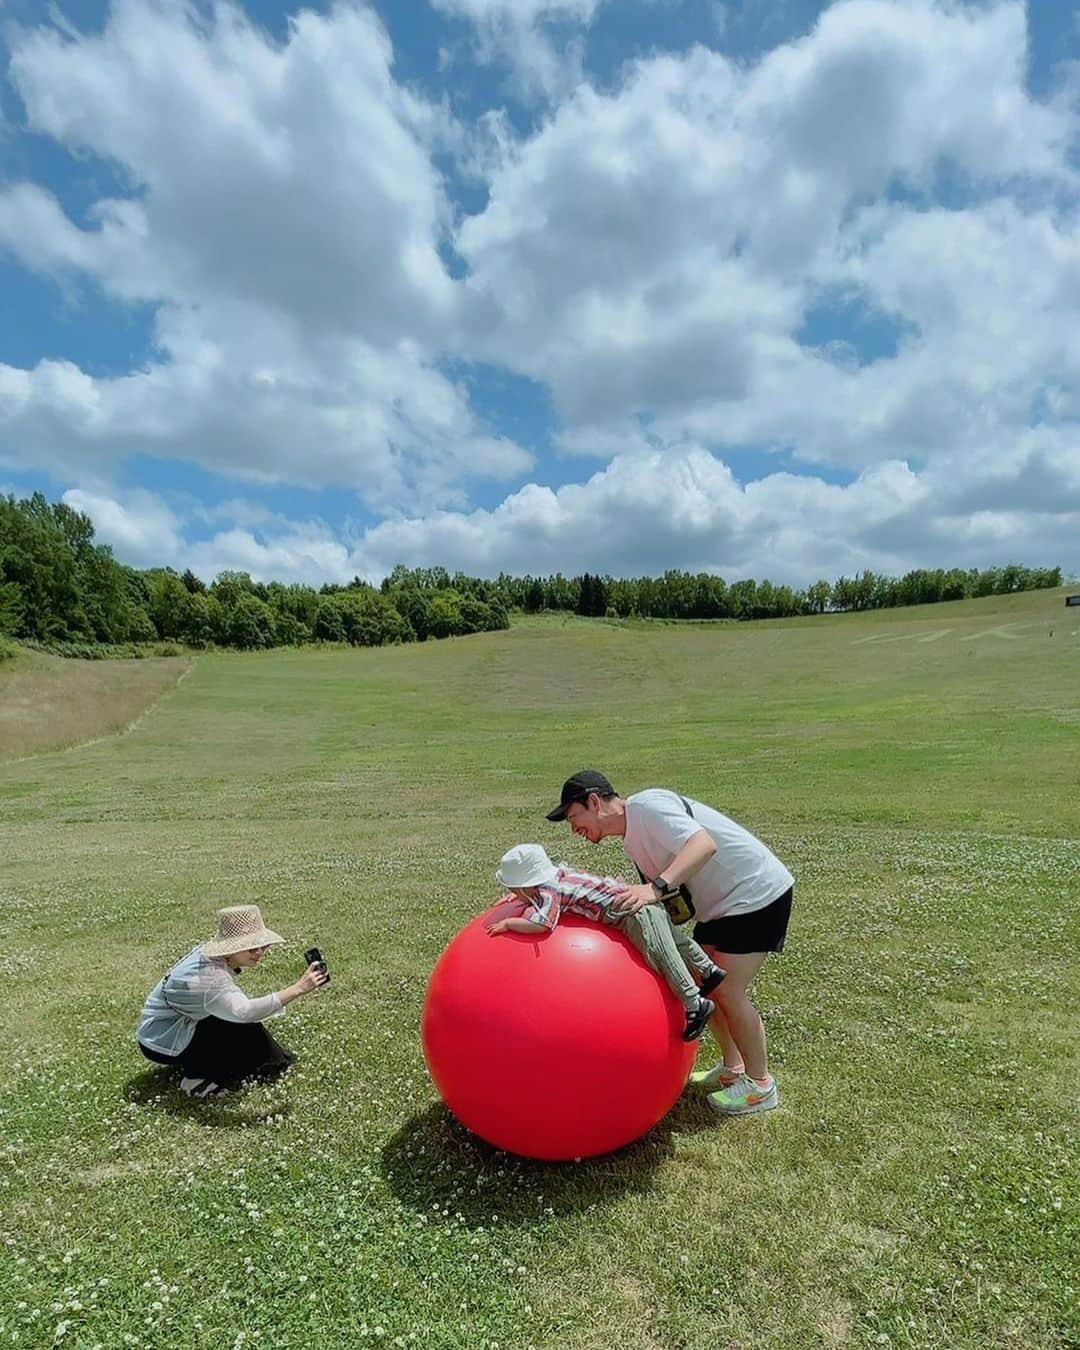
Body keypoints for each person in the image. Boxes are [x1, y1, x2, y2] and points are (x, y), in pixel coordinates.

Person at [546, 770, 793, 1116]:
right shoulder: (634, 841)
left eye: (574, 818)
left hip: (756, 893)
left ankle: (761, 1085)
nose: (574, 830)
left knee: (726, 989)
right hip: (720, 906)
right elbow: (674, 903)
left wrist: (655, 888)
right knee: (703, 982)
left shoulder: (648, 807)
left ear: (595, 802)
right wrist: (635, 898)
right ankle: (733, 1069)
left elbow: (703, 845)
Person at [487, 843, 726, 1042]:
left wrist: (510, 923)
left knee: (661, 954)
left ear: (526, 886)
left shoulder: (549, 891)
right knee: (677, 941)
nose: (514, 894)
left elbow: (543, 924)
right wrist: (523, 897)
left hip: (630, 915)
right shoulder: (560, 874)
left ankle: (694, 1003)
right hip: (639, 901)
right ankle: (708, 970)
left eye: (514, 890)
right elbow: (545, 895)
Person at [136, 904, 328, 1098]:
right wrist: (299, 988)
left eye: (263, 945)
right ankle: (196, 1078)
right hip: (161, 1040)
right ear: (230, 948)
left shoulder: (214, 957)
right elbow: (245, 1012)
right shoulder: (209, 978)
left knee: (266, 1054)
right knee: (237, 1044)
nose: (259, 952)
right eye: (251, 947)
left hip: (190, 1019)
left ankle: (253, 1063)